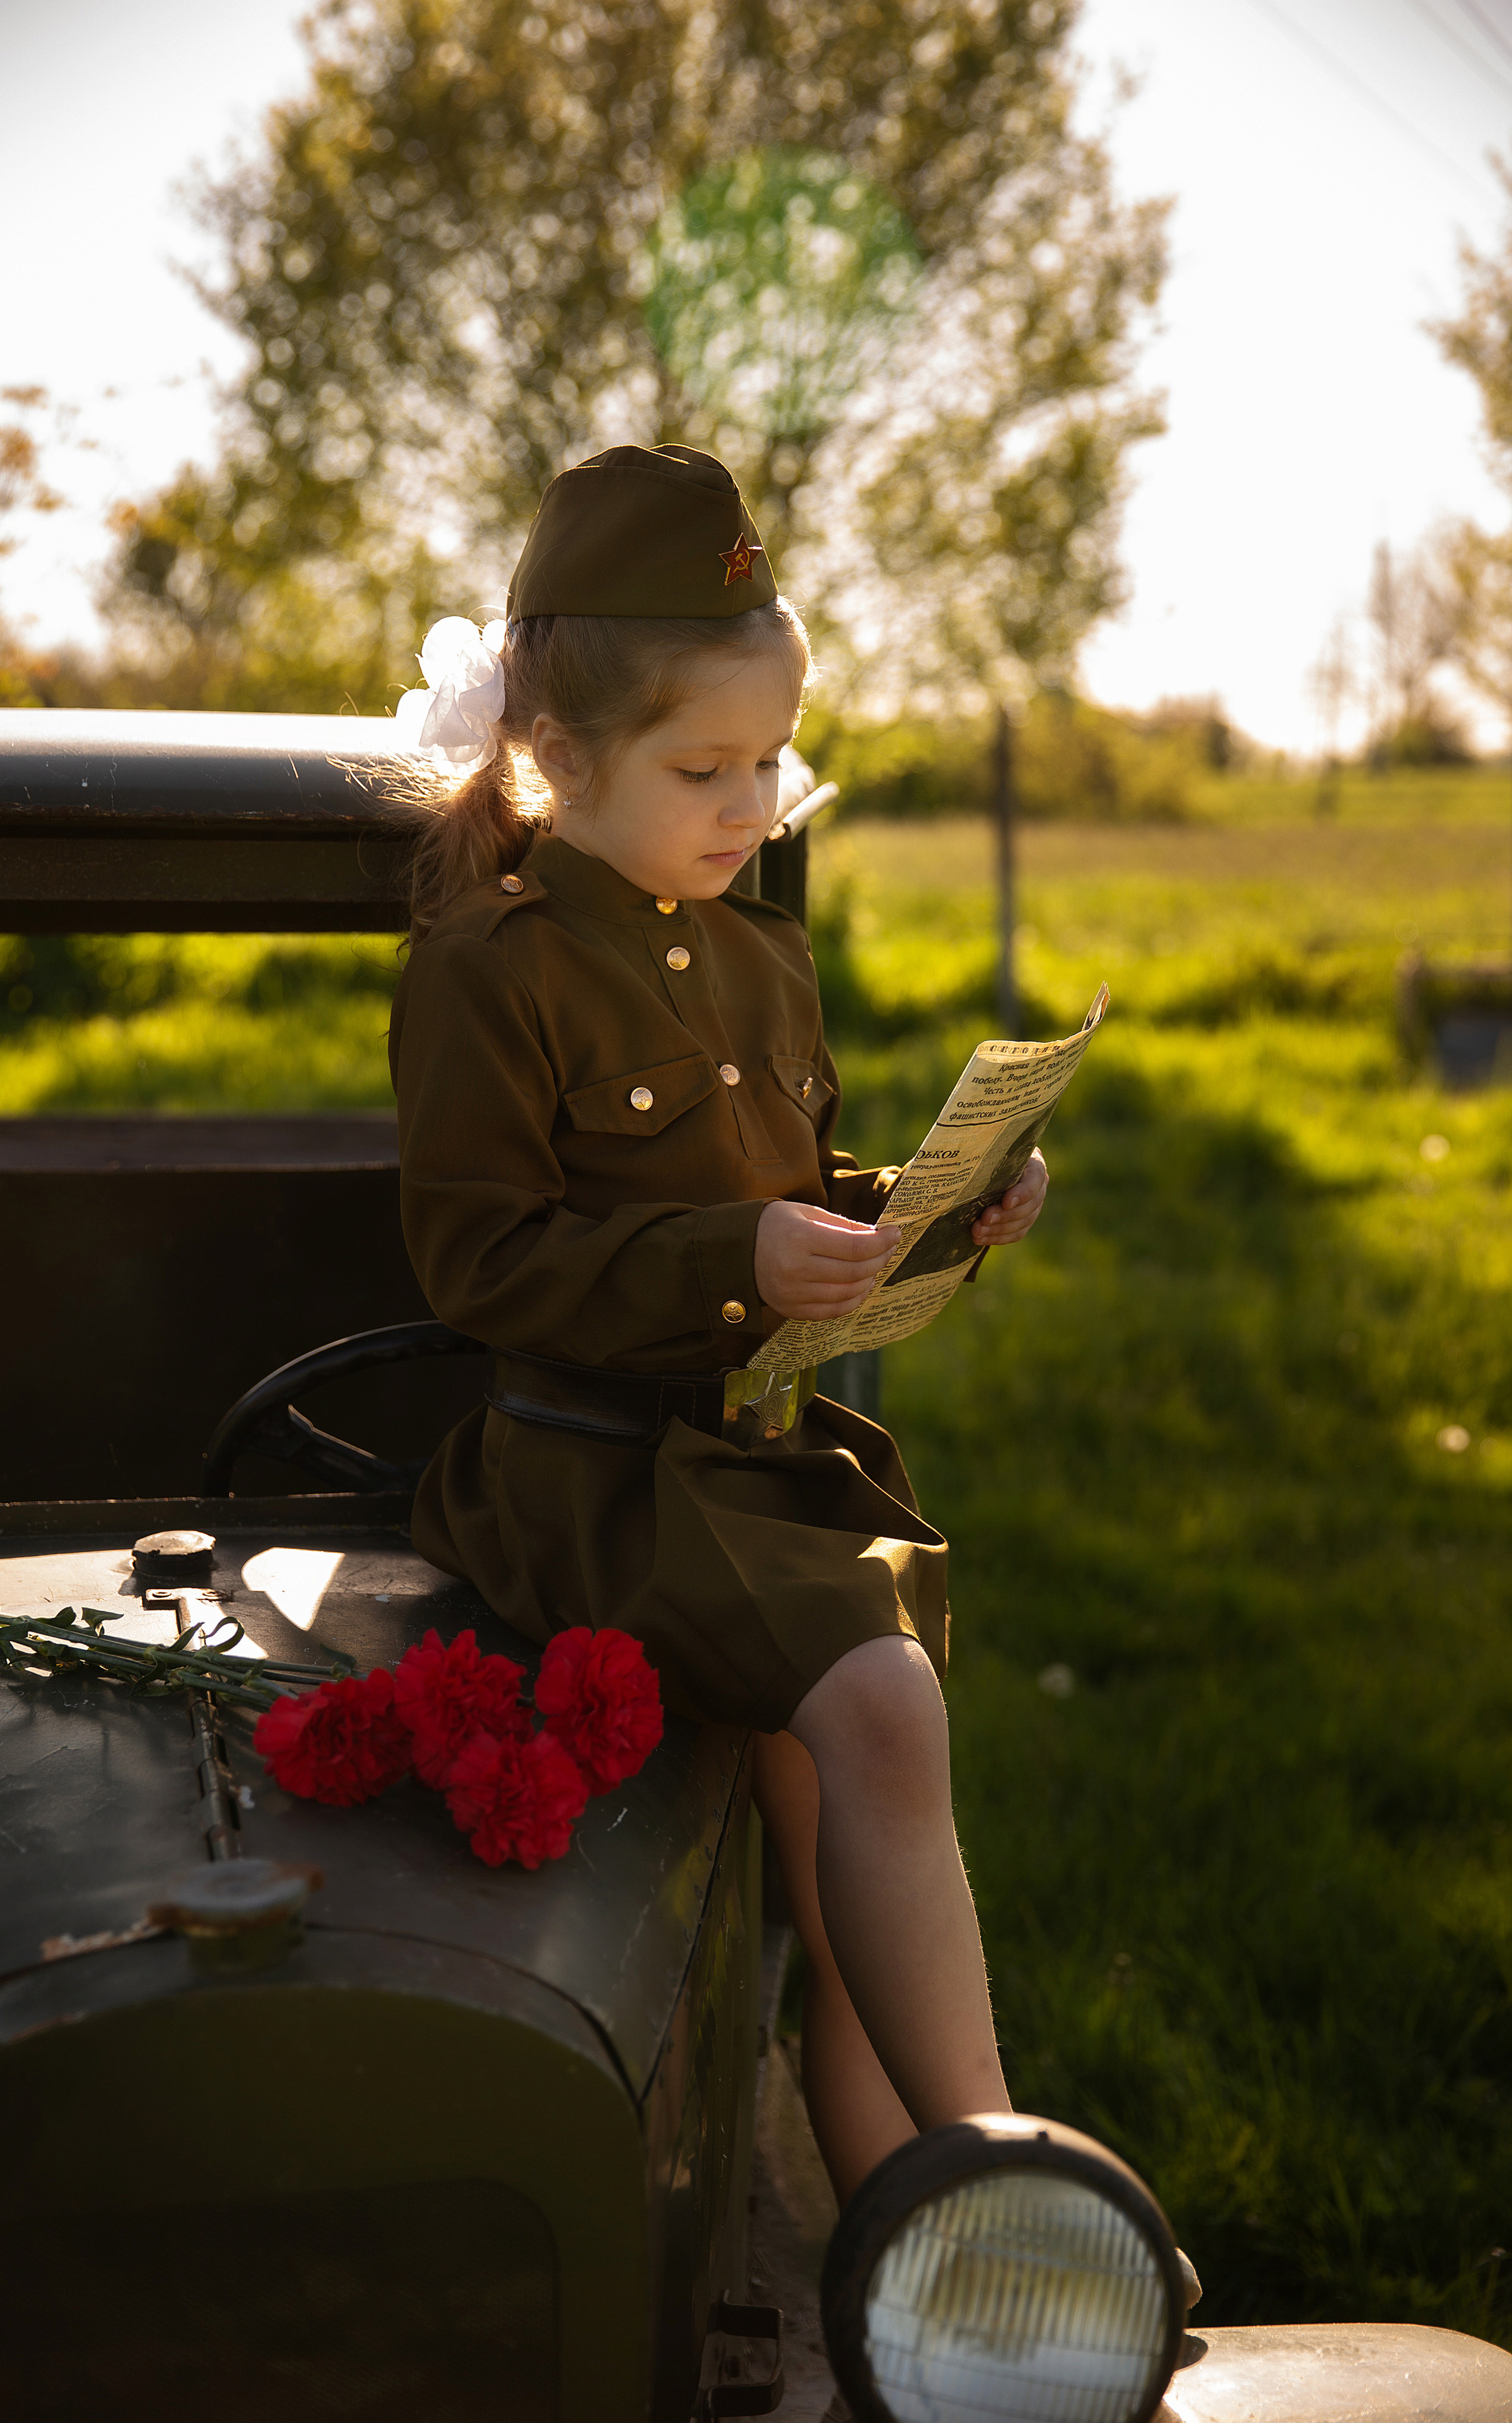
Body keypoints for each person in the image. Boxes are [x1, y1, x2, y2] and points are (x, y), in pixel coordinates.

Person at [387, 444, 1048, 2205]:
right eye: (706, 767)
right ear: (561, 751)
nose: (754, 800)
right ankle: (1024, 2182)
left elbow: (784, 1185)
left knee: (845, 1849)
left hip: (753, 1469)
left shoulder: (757, 949)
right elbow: (482, 1264)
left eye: (770, 759)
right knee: (890, 1717)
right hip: (592, 1479)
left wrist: (924, 1205)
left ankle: (936, 2264)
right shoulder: (490, 965)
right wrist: (740, 1256)